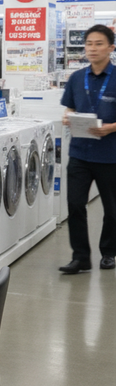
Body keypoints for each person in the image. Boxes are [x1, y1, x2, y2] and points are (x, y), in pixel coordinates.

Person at [58, 24, 116, 273]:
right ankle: (80, 257)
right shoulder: (76, 77)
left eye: (98, 43)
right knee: (75, 205)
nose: (92, 48)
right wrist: (67, 117)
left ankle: (109, 252)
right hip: (80, 153)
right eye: (89, 43)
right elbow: (70, 107)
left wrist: (111, 128)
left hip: (110, 154)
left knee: (112, 210)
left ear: (111, 48)